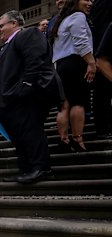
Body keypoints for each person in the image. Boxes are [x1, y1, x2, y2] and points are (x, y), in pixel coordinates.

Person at [0, 10, 61, 184]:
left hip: (25, 97)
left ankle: (41, 168)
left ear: (14, 23)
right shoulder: (7, 46)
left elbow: (35, 62)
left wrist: (26, 87)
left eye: (1, 26)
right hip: (10, 101)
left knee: (31, 131)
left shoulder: (28, 34)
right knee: (19, 136)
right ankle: (26, 169)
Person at [50, 0, 95, 153]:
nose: (90, 3)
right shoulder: (78, 16)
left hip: (61, 66)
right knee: (79, 102)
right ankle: (77, 139)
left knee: (64, 105)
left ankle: (64, 140)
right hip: (76, 62)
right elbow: (81, 41)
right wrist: (91, 62)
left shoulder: (61, 21)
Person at [90, 0, 112, 139]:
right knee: (103, 91)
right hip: (103, 50)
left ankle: (103, 127)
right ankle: (103, 128)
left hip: (100, 47)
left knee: (103, 91)